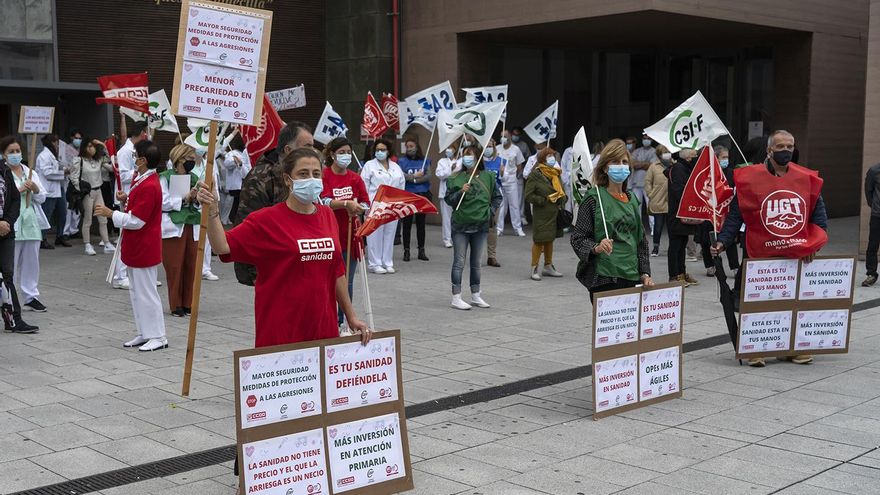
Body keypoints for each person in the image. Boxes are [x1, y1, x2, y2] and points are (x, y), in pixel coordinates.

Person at [198, 148, 371, 347]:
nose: (311, 179)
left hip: (323, 329)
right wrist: (212, 212)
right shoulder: (266, 220)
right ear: (288, 180)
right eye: (303, 174)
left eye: (316, 174)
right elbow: (223, 246)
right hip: (281, 332)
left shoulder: (327, 215)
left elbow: (337, 272)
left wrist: (351, 317)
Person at [712, 130, 828, 367]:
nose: (786, 151)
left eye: (790, 146)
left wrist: (814, 243)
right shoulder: (750, 179)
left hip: (795, 254)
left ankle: (791, 349)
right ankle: (754, 348)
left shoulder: (806, 178)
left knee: (791, 303)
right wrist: (723, 241)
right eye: (780, 146)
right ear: (769, 150)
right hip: (760, 254)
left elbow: (819, 215)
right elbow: (736, 215)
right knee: (756, 302)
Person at [95, 140, 167, 351]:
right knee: (136, 292)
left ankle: (158, 336)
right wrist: (125, 199)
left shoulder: (150, 184)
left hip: (144, 245)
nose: (133, 158)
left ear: (143, 160)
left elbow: (137, 221)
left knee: (147, 292)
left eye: (136, 155)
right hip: (136, 245)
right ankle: (145, 332)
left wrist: (112, 214)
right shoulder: (141, 178)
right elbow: (135, 210)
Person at [571, 139, 653, 301]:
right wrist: (596, 247)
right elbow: (578, 238)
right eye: (615, 161)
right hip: (604, 278)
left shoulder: (632, 200)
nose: (620, 166)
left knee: (631, 326)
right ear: (605, 167)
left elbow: (641, 242)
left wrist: (644, 273)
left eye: (624, 162)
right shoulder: (594, 199)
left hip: (631, 276)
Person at [235, 122, 314, 286]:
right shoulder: (260, 178)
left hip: (303, 262)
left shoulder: (308, 176)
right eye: (307, 146)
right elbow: (248, 229)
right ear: (288, 150)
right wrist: (257, 275)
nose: (312, 152)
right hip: (273, 270)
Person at [320, 138, 370, 332]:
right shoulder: (323, 176)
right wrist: (344, 204)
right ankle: (328, 318)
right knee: (327, 281)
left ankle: (342, 322)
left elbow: (366, 203)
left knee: (345, 281)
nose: (346, 155)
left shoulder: (355, 178)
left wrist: (358, 207)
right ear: (332, 154)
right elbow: (321, 200)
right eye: (342, 152)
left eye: (349, 151)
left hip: (350, 236)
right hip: (328, 236)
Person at [445, 145, 501, 310]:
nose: (467, 158)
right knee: (459, 261)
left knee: (476, 262)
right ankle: (456, 296)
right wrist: (460, 192)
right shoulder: (455, 178)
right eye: (465, 155)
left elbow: (497, 197)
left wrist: (489, 212)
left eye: (470, 155)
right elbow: (449, 200)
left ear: (478, 158)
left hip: (481, 225)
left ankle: (476, 294)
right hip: (460, 225)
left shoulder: (489, 177)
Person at [1, 137, 47, 321]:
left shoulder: (29, 172)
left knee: (31, 261)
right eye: (11, 152)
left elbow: (42, 197)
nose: (15, 155)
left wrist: (35, 188)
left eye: (17, 151)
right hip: (11, 222)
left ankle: (31, 296)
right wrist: (18, 190)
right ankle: (8, 299)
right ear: (4, 154)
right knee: (9, 264)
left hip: (30, 221)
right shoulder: (3, 173)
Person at [160, 144, 200, 318]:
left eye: (193, 159)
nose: (192, 162)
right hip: (173, 226)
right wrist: (183, 199)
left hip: (192, 223)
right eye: (189, 159)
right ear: (179, 159)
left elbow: (199, 203)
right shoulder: (165, 177)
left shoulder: (195, 178)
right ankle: (175, 304)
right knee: (175, 266)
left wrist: (196, 197)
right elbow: (162, 202)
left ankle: (188, 303)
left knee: (191, 265)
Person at [111, 121, 149, 289]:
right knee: (124, 237)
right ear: (142, 133)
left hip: (134, 197)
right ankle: (120, 276)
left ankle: (132, 272)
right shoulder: (125, 151)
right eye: (146, 133)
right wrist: (139, 171)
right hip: (125, 197)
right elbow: (121, 175)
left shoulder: (135, 151)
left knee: (134, 237)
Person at [360, 138, 405, 274]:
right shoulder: (369, 165)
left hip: (392, 205)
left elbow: (401, 184)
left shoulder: (396, 166)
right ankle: (375, 263)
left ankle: (387, 262)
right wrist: (366, 205)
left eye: (383, 149)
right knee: (374, 235)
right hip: (375, 205)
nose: (380, 152)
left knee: (389, 234)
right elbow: (364, 185)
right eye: (378, 150)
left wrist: (400, 204)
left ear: (388, 151)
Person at [525, 147, 567, 281]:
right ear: (542, 158)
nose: (552, 158)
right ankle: (534, 267)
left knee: (550, 239)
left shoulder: (556, 173)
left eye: (553, 155)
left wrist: (561, 198)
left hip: (554, 213)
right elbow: (528, 196)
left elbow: (562, 190)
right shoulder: (535, 175)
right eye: (549, 156)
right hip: (541, 213)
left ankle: (548, 265)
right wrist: (544, 200)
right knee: (539, 240)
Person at [70, 139, 115, 256]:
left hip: (98, 190)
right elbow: (73, 177)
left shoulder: (99, 160)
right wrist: (80, 190)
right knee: (88, 220)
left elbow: (110, 161)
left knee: (103, 218)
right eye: (89, 146)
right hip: (87, 193)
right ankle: (87, 244)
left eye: (93, 146)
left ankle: (106, 243)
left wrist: (103, 145)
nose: (91, 148)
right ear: (84, 147)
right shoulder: (79, 160)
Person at [667, 148, 701, 287]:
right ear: (688, 157)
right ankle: (674, 276)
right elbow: (679, 191)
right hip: (677, 213)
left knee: (682, 244)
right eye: (694, 155)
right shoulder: (679, 169)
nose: (696, 158)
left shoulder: (685, 168)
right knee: (675, 246)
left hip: (683, 212)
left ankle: (682, 273)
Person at [397, 136, 431, 262]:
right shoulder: (401, 161)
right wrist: (414, 176)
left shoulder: (425, 160)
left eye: (411, 146)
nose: (409, 149)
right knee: (407, 224)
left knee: (421, 224)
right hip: (408, 195)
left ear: (417, 147)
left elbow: (428, 176)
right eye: (407, 147)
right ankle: (406, 251)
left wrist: (414, 179)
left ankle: (421, 250)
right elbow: (401, 175)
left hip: (422, 194)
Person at [35, 134, 70, 248]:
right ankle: (42, 239)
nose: (57, 145)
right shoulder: (44, 156)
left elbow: (55, 168)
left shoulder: (53, 155)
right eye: (56, 143)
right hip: (48, 190)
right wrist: (63, 173)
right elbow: (47, 173)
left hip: (58, 188)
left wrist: (63, 169)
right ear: (52, 143)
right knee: (47, 214)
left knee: (62, 213)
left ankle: (60, 236)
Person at [496, 129, 526, 237]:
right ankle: (499, 228)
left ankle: (517, 228)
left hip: (512, 180)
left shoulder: (516, 149)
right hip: (499, 180)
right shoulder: (497, 149)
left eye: (505, 136)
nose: (503, 138)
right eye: (501, 136)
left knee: (514, 205)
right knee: (500, 205)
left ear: (509, 137)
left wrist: (514, 176)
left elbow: (519, 165)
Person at [645, 144, 670, 256]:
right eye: (665, 153)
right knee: (658, 226)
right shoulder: (654, 166)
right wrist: (650, 194)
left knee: (672, 228)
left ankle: (672, 248)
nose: (667, 155)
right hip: (658, 200)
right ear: (659, 155)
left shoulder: (673, 165)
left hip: (671, 201)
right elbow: (648, 182)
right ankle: (655, 248)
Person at [482, 139, 503, 267]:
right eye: (486, 146)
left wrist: (502, 172)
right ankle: (477, 256)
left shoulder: (500, 161)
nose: (488, 148)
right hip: (480, 198)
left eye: (490, 146)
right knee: (478, 228)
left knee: (492, 228)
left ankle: (492, 256)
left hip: (494, 198)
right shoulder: (478, 162)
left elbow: (503, 180)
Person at [222, 133, 251, 224]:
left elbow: (247, 170)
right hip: (234, 185)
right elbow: (227, 164)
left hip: (243, 183)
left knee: (237, 204)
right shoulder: (232, 153)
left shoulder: (246, 153)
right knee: (231, 204)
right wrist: (234, 161)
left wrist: (241, 165)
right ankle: (225, 219)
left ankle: (232, 220)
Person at [629, 134, 656, 233]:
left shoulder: (654, 151)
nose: (646, 140)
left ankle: (653, 228)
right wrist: (645, 164)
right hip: (636, 184)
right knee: (636, 207)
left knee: (650, 207)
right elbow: (632, 164)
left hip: (648, 183)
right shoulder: (637, 151)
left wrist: (639, 164)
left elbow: (652, 165)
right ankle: (637, 229)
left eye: (648, 138)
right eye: (644, 138)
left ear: (651, 140)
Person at [435, 145, 460, 248]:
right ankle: (447, 239)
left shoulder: (460, 161)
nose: (448, 150)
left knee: (457, 217)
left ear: (455, 150)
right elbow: (439, 174)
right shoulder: (442, 161)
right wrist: (450, 169)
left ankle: (457, 238)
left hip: (458, 191)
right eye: (447, 148)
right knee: (446, 217)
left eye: (450, 148)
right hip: (445, 192)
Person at [865, 161, 880, 287]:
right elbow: (868, 192)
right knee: (873, 245)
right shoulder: (874, 171)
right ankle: (871, 273)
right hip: (877, 215)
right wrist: (875, 207)